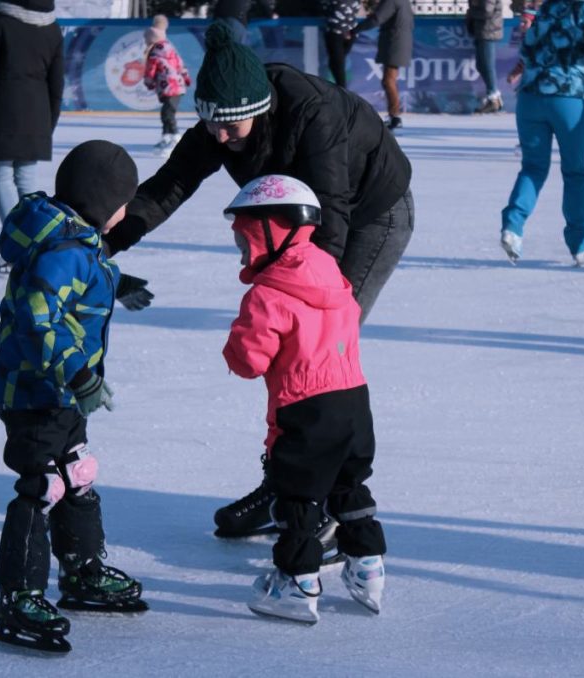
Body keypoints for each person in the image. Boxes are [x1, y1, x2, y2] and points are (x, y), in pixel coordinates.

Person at [101, 21, 413, 543]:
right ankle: (286, 486)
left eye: (229, 129)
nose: (219, 139)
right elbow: (171, 184)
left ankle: (328, 509)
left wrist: (299, 291)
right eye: (212, 128)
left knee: (320, 361)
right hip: (303, 223)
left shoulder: (314, 114)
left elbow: (332, 214)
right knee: (293, 365)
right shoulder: (221, 119)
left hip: (370, 214)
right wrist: (109, 242)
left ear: (258, 108)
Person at [0, 141, 153, 654]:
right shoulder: (67, 251)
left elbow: (79, 278)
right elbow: (39, 315)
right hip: (38, 392)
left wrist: (115, 281)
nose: (126, 212)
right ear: (103, 203)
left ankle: (81, 570)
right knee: (42, 485)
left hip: (59, 391)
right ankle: (19, 594)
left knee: (76, 471)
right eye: (124, 202)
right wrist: (80, 374)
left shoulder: (74, 243)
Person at [222, 175, 387, 624]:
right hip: (355, 403)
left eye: (245, 238)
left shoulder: (268, 293)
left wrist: (236, 340)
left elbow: (248, 361)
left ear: (271, 230)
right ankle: (368, 566)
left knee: (300, 498)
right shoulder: (332, 274)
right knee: (348, 484)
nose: (242, 247)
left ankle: (296, 584)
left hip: (306, 408)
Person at [499, 0, 584, 266]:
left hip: (531, 98)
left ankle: (513, 227)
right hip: (567, 99)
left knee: (533, 168)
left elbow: (528, 45)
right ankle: (580, 244)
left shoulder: (549, 6)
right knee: (574, 172)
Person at [0, 0, 63, 225]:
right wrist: (50, 121)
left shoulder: (0, 21)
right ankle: (30, 237)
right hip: (38, 113)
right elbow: (57, 82)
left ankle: (15, 239)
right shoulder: (52, 27)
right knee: (26, 178)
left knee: (0, 175)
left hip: (2, 109)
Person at [349, 0, 413, 129]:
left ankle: (394, 116)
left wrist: (354, 30)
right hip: (398, 41)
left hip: (394, 43)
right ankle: (394, 115)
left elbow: (377, 19)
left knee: (388, 80)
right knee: (389, 80)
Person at [142, 18, 190, 154]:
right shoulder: (170, 49)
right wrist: (186, 78)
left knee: (168, 113)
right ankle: (166, 137)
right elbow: (180, 64)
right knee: (166, 112)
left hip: (169, 87)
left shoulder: (154, 53)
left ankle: (175, 137)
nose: (145, 42)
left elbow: (150, 71)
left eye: (146, 39)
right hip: (176, 86)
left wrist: (149, 83)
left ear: (151, 39)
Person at [466, 0, 504, 113]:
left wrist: (472, 11)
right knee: (481, 65)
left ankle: (493, 98)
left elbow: (487, 11)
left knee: (487, 66)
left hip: (488, 31)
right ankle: (494, 96)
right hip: (483, 31)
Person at [321, 0, 361, 88]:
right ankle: (341, 89)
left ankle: (342, 90)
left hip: (342, 31)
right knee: (337, 62)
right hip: (343, 31)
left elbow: (324, 7)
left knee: (337, 62)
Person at [212, 0, 277, 45]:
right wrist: (270, 14)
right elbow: (263, 2)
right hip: (235, 17)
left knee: (218, 49)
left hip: (218, 15)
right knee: (236, 49)